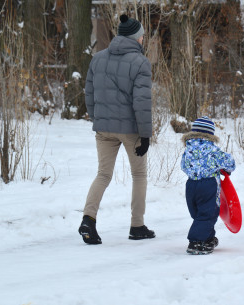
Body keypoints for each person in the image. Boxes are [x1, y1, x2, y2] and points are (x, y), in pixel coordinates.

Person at [79, 14, 155, 245]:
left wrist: (97, 118)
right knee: (139, 174)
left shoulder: (98, 58)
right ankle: (137, 225)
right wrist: (145, 135)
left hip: (104, 129)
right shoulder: (141, 63)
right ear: (136, 38)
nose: (143, 40)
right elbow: (141, 103)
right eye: (142, 36)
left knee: (103, 174)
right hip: (131, 129)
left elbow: (89, 94)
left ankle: (88, 220)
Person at [180, 117, 236, 254]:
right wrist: (224, 169)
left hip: (191, 184)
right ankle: (196, 242)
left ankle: (207, 238)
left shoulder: (188, 149)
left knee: (198, 213)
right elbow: (230, 162)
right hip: (208, 185)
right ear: (210, 134)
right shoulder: (213, 150)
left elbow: (183, 166)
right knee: (208, 213)